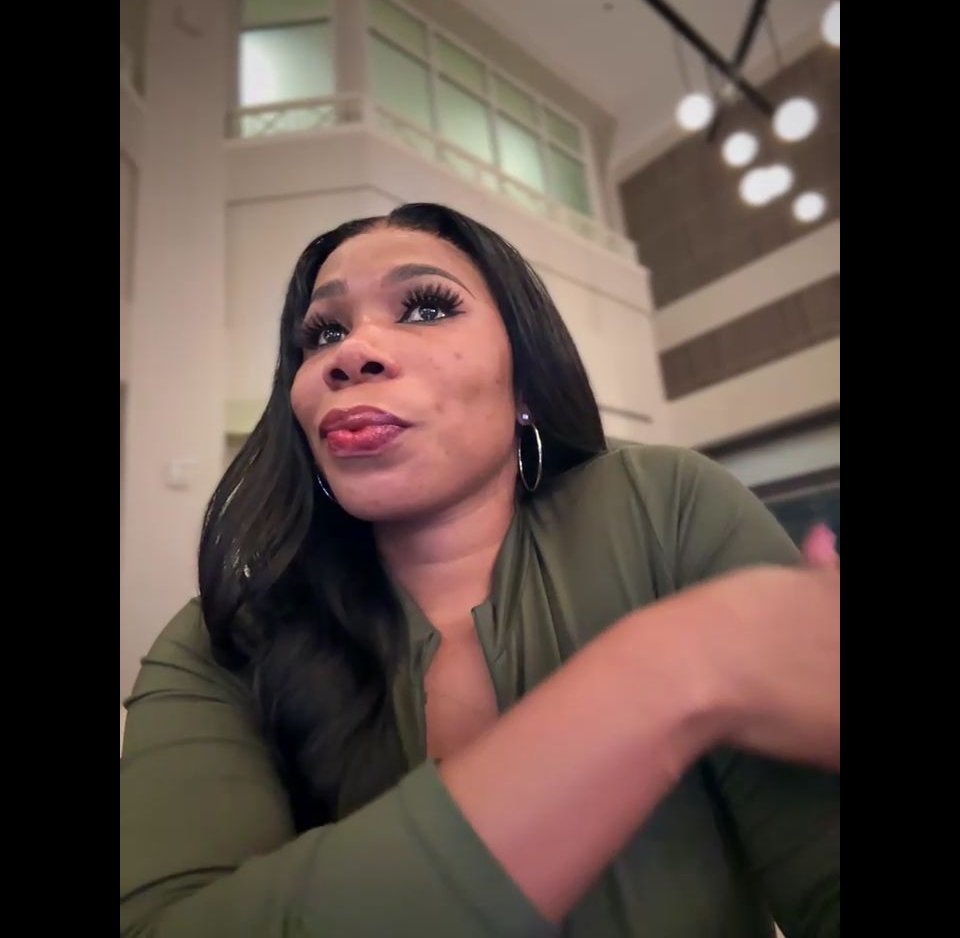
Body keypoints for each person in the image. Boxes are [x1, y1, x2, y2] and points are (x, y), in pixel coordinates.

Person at [120, 203, 840, 937]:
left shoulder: (668, 507)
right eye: (324, 333)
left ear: (525, 384)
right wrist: (668, 670)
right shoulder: (224, 635)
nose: (351, 353)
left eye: (427, 309)